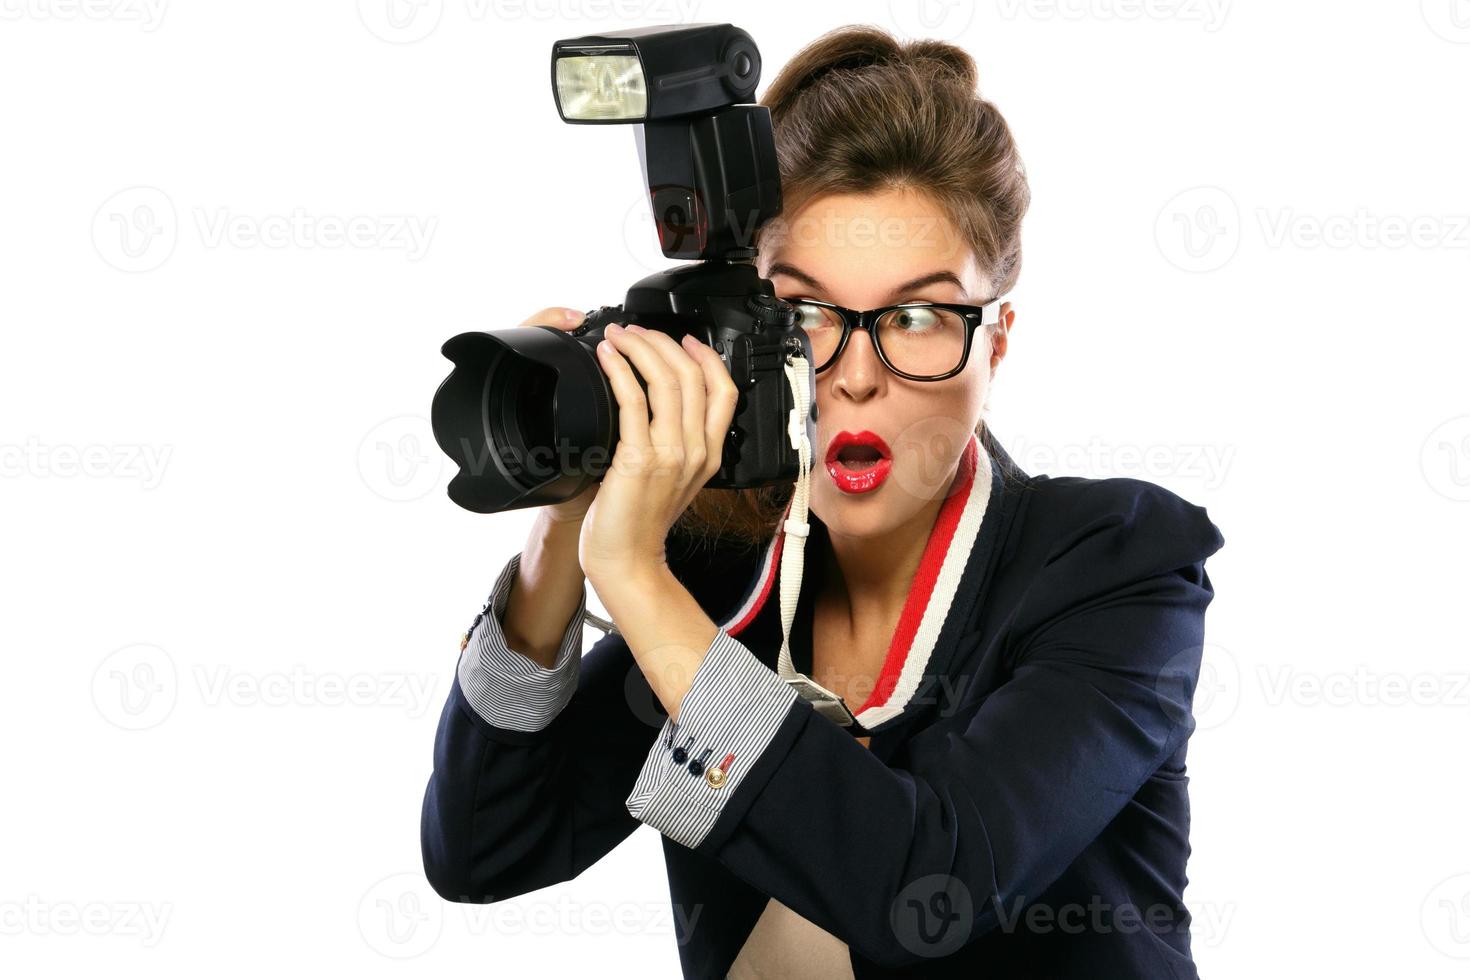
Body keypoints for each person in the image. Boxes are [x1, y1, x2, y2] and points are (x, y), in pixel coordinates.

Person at [420, 24, 1224, 979]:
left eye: (918, 316)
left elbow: (929, 886)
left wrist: (634, 576)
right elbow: (482, 848)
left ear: (996, 343)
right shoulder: (722, 572)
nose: (852, 375)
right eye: (799, 317)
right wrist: (566, 519)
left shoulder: (1113, 567)